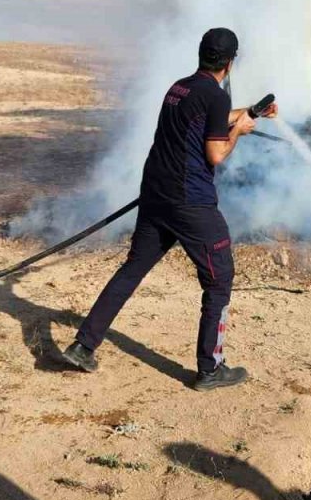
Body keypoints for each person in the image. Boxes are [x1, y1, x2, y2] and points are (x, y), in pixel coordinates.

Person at [62, 27, 277, 390]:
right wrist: (238, 131)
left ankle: (83, 346)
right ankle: (210, 369)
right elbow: (216, 153)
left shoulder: (180, 88)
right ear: (230, 63)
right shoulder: (215, 96)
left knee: (132, 269)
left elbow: (207, 117)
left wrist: (252, 111)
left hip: (156, 195)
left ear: (201, 54)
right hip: (191, 202)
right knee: (220, 279)